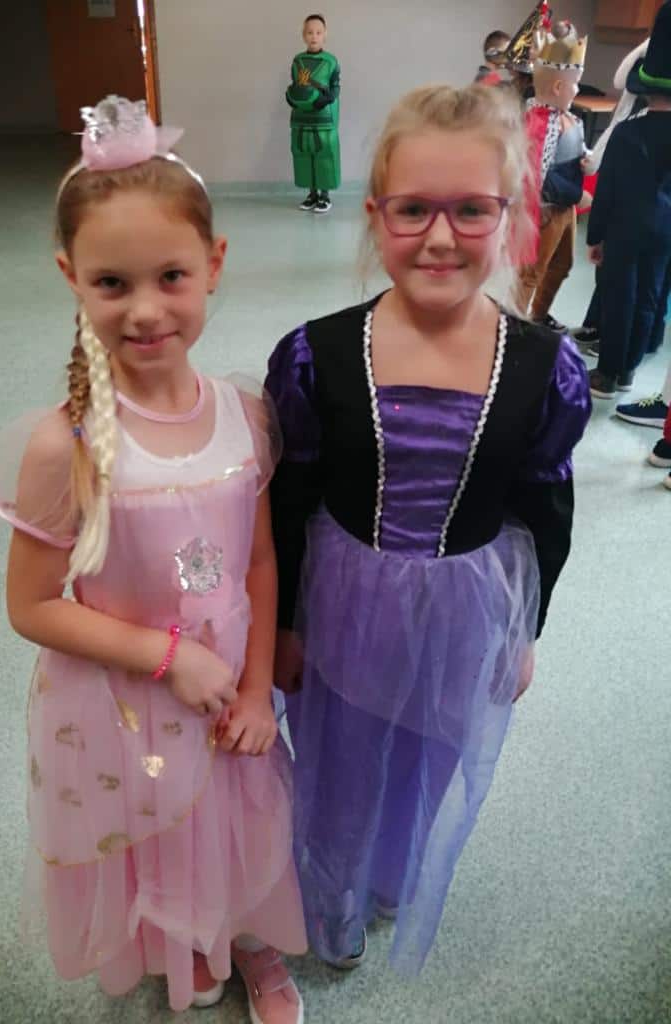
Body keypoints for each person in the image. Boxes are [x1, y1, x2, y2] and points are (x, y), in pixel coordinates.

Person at [0, 96, 306, 1023]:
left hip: (229, 691)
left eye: (171, 276)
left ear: (214, 264)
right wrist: (172, 658)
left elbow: (258, 563)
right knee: (159, 828)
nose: (145, 309)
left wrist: (256, 690)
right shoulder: (66, 444)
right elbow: (32, 605)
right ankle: (180, 943)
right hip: (126, 701)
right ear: (71, 277)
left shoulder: (246, 415)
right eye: (111, 283)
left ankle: (246, 937)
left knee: (240, 821)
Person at [266, 84, 591, 974]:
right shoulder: (317, 354)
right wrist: (285, 625)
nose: (441, 237)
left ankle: (389, 877)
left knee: (427, 752)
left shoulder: (545, 368)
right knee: (342, 755)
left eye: (471, 210)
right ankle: (331, 893)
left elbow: (546, 507)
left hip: (465, 606)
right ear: (376, 215)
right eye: (413, 210)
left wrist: (526, 632)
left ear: (510, 217)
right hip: (345, 598)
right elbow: (290, 496)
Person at [587, 0, 671, 400]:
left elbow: (606, 191)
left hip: (623, 230)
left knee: (619, 296)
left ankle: (607, 373)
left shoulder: (627, 134)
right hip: (665, 232)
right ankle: (628, 373)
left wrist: (595, 236)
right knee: (649, 297)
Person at [571, 38, 650, 353]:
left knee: (621, 274)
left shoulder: (643, 114)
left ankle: (609, 340)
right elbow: (621, 87)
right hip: (640, 203)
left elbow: (620, 87)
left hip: (630, 195)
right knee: (619, 272)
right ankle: (598, 328)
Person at [517, 20, 591, 332]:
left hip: (565, 210)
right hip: (547, 210)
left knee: (562, 265)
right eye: (576, 84)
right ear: (558, 87)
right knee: (531, 271)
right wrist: (578, 194)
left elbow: (571, 150)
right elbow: (539, 175)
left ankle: (537, 316)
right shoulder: (539, 122)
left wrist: (585, 159)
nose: (578, 90)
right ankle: (516, 327)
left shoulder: (568, 118)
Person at [286, 14, 341, 214]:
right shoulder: (297, 61)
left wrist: (327, 99)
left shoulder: (331, 61)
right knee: (304, 155)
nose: (314, 36)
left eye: (318, 32)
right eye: (310, 32)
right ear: (303, 35)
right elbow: (296, 85)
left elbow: (335, 87)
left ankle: (325, 196)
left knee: (324, 155)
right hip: (301, 120)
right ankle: (312, 195)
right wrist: (291, 97)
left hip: (323, 119)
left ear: (325, 34)